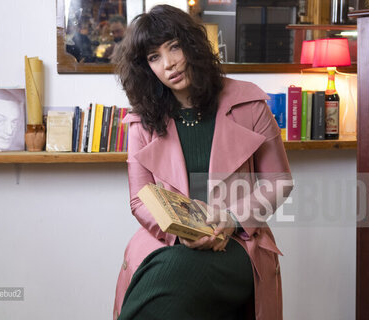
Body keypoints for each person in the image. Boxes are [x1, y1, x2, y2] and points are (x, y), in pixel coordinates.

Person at [112, 5, 293, 320]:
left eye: (174, 47)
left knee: (173, 275)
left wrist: (231, 219)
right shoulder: (141, 121)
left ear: (191, 44)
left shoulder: (249, 103)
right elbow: (140, 199)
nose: (168, 64)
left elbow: (279, 182)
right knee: (170, 268)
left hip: (237, 241)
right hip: (167, 241)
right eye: (154, 57)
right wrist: (181, 233)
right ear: (146, 68)